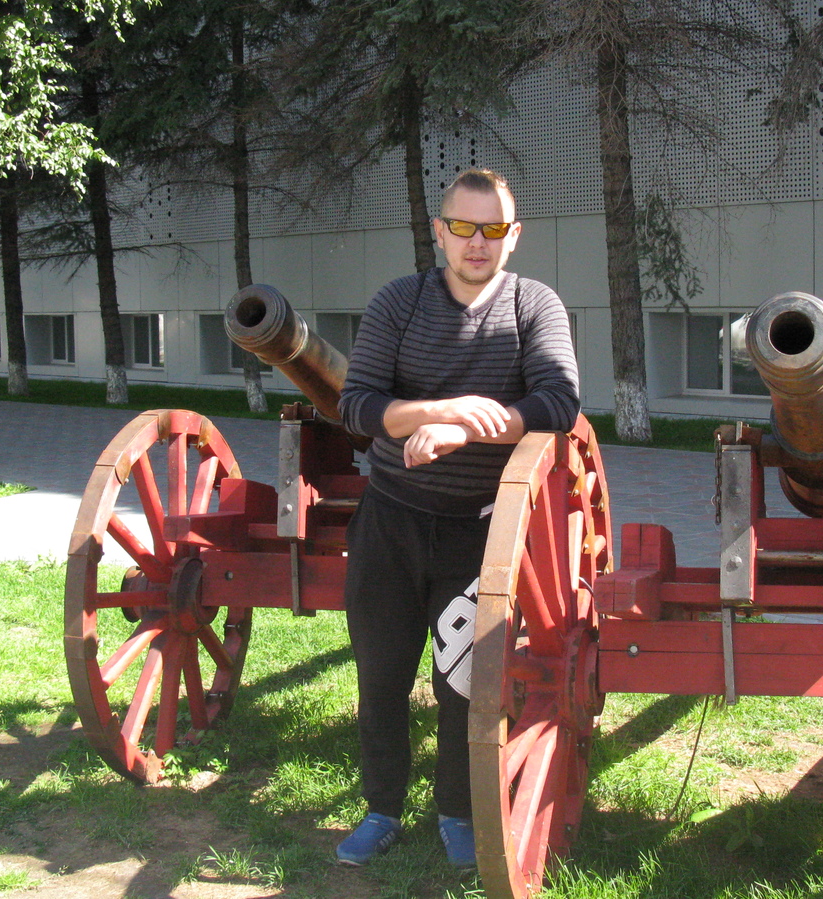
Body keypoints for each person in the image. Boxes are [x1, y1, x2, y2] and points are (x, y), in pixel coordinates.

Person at [334, 169, 580, 869]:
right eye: (464, 227)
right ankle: (381, 808)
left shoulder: (534, 306)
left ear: (514, 235)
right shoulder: (400, 302)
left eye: (494, 228)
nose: (479, 243)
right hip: (390, 519)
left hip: (479, 529)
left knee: (464, 685)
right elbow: (357, 404)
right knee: (380, 674)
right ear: (439, 231)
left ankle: (457, 813)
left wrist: (467, 431)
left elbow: (558, 402)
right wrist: (439, 412)